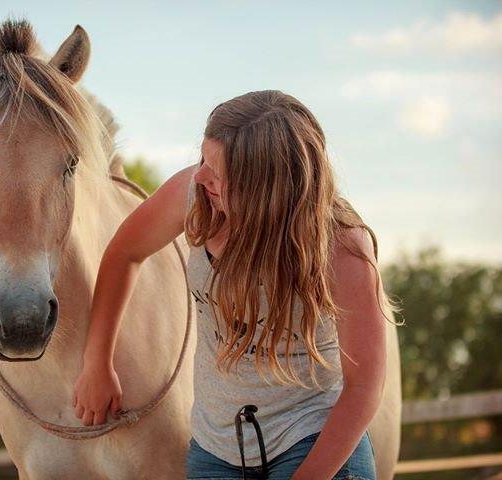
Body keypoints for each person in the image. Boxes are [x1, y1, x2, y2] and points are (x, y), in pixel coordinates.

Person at [73, 90, 396, 479]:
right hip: (217, 450)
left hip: (314, 440)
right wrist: (97, 361)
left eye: (217, 171)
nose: (200, 176)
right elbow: (124, 253)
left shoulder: (342, 247)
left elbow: (363, 388)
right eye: (203, 159)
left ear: (264, 187)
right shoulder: (193, 196)